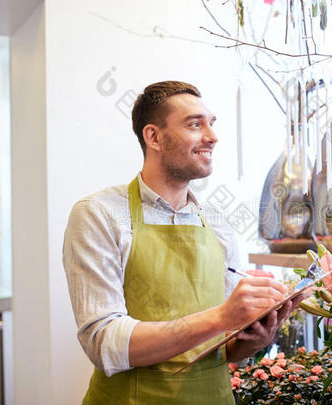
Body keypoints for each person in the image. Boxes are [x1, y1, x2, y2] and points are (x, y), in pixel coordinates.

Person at [63, 81, 306, 404]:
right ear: (154, 137)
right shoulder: (99, 215)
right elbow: (104, 343)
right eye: (195, 124)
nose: (212, 136)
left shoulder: (216, 222)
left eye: (211, 123)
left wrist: (254, 336)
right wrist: (222, 316)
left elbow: (226, 347)